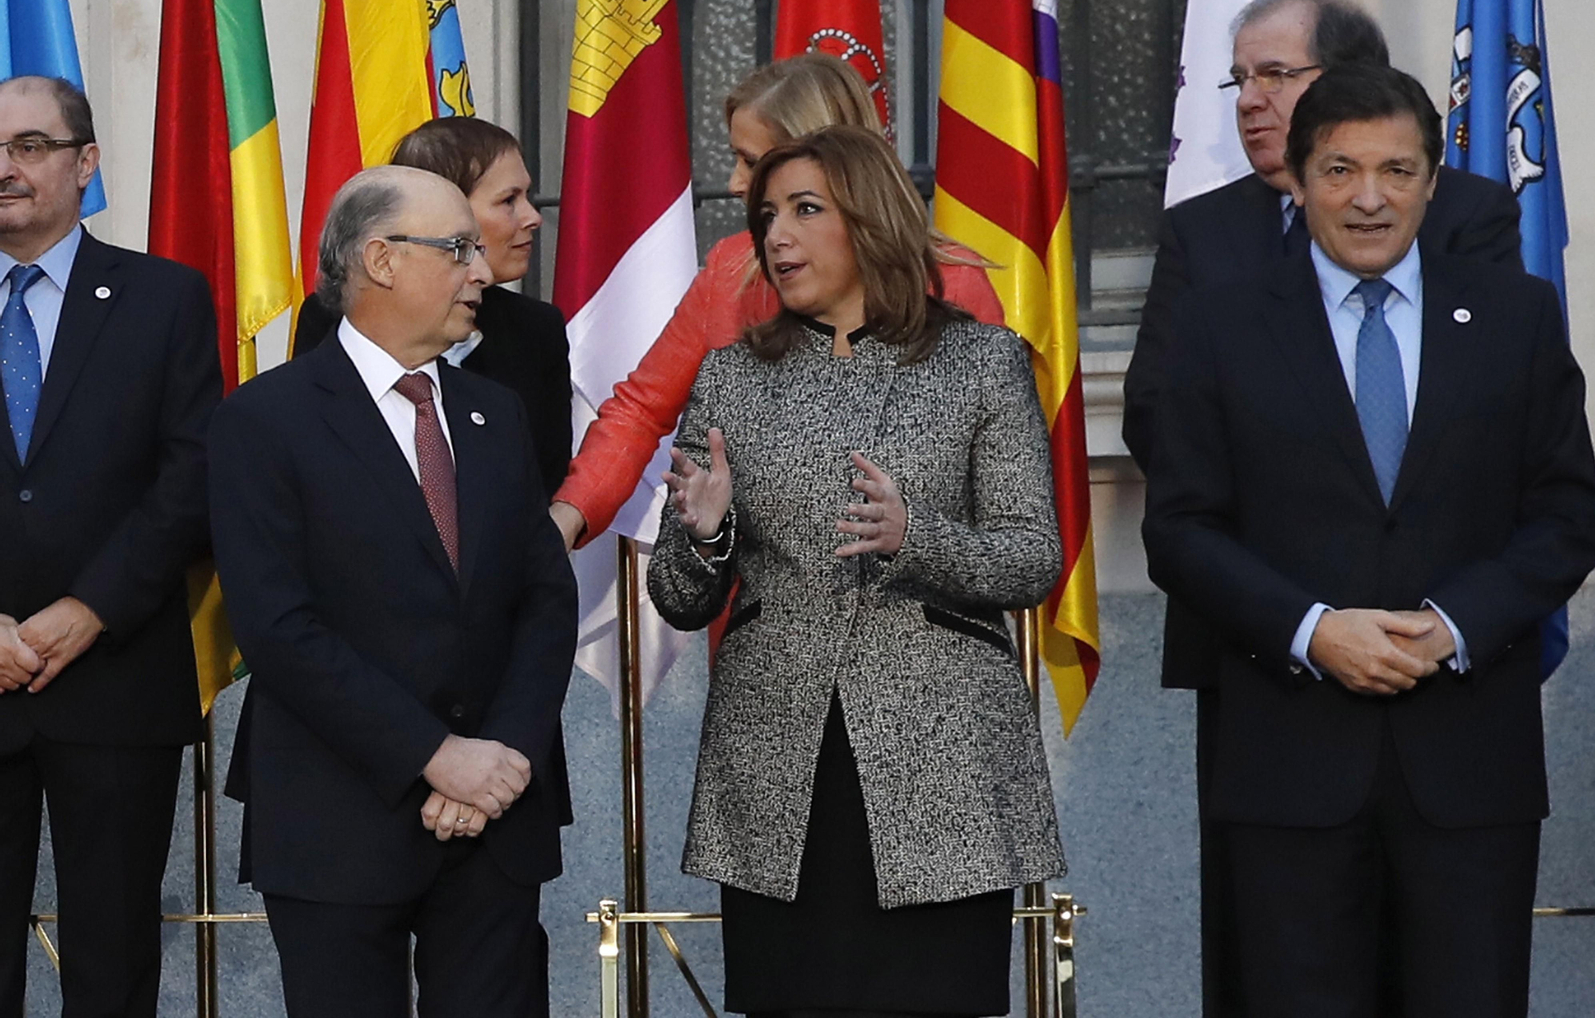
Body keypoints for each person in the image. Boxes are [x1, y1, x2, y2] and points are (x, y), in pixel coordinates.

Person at [1141, 63, 1595, 1018]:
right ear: (1298, 179)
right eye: (1341, 169)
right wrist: (1312, 629)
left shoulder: (1515, 316)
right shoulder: (1218, 325)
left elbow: (1567, 513)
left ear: (1434, 181)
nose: (1369, 197)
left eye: (1397, 170)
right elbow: (1182, 529)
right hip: (1289, 766)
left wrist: (1454, 624)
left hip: (1470, 768)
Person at [647, 125, 1066, 1016]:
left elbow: (1032, 555)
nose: (778, 237)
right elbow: (679, 598)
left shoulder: (980, 362)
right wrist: (707, 533)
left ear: (871, 218)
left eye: (806, 210)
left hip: (942, 756)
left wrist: (918, 540)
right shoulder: (731, 379)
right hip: (779, 756)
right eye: (767, 217)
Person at [209, 166, 578, 1018]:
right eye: (457, 250)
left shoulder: (496, 413)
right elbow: (277, 627)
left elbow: (544, 600)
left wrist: (500, 759)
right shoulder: (264, 420)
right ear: (379, 259)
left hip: (496, 818)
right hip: (336, 815)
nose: (482, 272)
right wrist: (434, 754)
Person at [550, 52, 1005, 550]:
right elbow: (638, 414)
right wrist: (566, 517)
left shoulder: (951, 284)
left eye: (750, 160)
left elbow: (996, 474)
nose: (734, 183)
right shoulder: (731, 272)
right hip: (758, 599)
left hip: (916, 598)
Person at [0, 76, 221, 1018]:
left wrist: (89, 609)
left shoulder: (164, 297)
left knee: (113, 961)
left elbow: (193, 476)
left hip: (118, 676)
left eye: (31, 146)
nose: (6, 169)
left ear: (86, 164)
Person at [291, 117, 571, 497]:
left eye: (527, 197)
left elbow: (540, 483)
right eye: (508, 200)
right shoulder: (337, 318)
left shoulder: (536, 330)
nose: (533, 217)